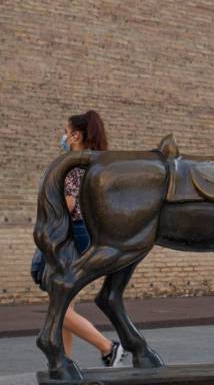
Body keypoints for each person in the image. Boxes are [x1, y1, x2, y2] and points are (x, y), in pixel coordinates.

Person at [55, 111, 125, 367]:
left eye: (65, 131)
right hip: (83, 234)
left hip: (71, 236)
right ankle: (66, 363)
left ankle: (108, 347)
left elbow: (70, 204)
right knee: (66, 305)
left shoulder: (74, 164)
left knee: (58, 307)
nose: (62, 136)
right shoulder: (93, 162)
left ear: (75, 135)